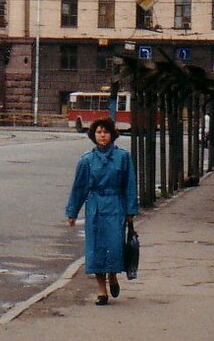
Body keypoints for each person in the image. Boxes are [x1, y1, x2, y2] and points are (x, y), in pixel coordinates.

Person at [65, 117, 138, 306]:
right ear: (93, 135)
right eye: (98, 132)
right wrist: (72, 212)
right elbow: (79, 188)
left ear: (112, 134)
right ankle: (101, 290)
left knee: (114, 246)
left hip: (115, 206)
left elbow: (129, 185)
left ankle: (113, 275)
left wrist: (130, 210)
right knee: (96, 248)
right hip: (95, 206)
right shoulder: (87, 160)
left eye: (105, 132)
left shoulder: (123, 157)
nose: (102, 135)